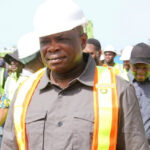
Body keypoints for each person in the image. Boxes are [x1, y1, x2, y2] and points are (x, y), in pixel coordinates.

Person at [1, 0, 149, 150]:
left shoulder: (118, 90)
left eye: (61, 39)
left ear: (83, 41)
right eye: (45, 41)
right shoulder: (24, 92)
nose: (52, 48)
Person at [129, 42, 150, 145]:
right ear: (130, 65)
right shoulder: (123, 83)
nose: (140, 72)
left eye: (145, 67)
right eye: (136, 67)